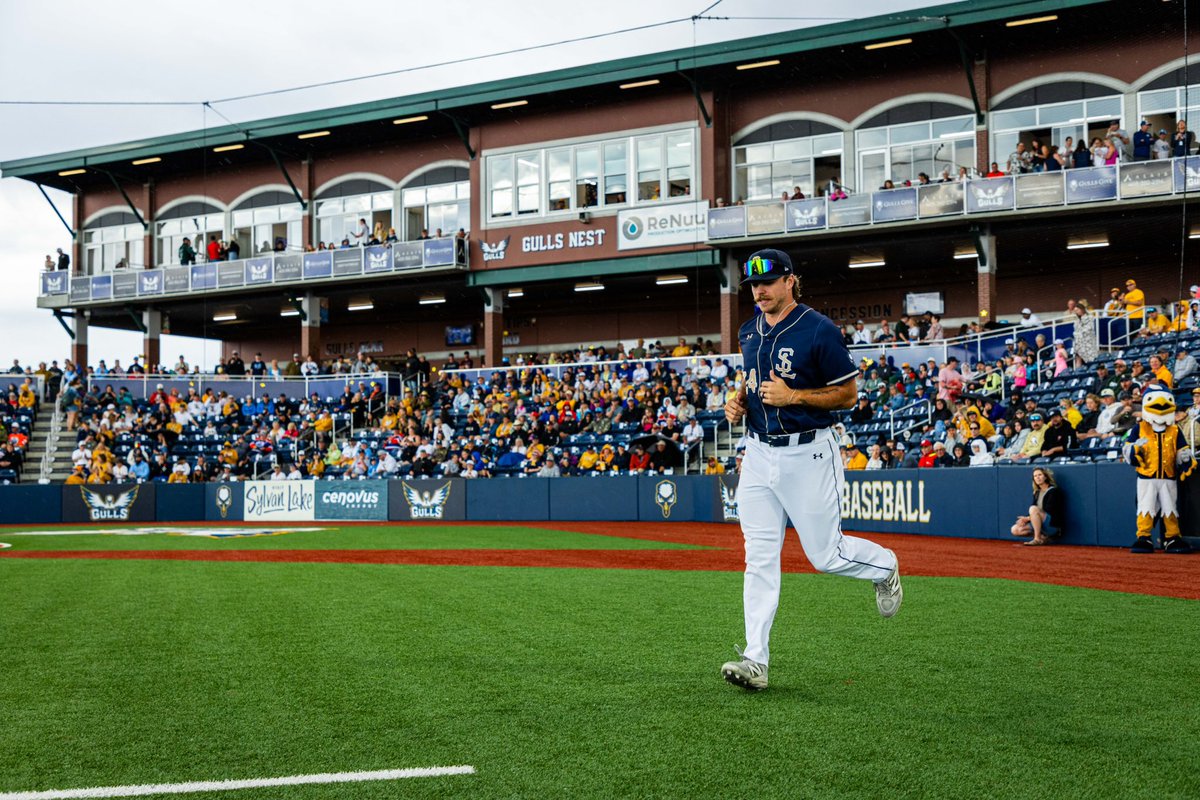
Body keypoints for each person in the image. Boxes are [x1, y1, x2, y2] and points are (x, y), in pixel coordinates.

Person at [720, 249, 902, 692]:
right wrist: (738, 401)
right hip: (759, 455)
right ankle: (754, 659)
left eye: (767, 282)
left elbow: (848, 396)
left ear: (790, 281)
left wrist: (796, 396)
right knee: (759, 558)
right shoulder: (748, 331)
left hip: (809, 453)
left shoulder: (819, 330)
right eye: (752, 285)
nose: (759, 291)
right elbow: (752, 384)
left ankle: (884, 566)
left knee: (825, 556)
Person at [1010, 467, 1064, 545]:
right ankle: (1043, 537)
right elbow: (1033, 511)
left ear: (1045, 477)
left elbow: (1049, 509)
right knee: (1015, 529)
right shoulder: (1037, 492)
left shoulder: (1054, 491)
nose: (1037, 477)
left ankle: (1037, 539)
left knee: (1033, 509)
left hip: (1051, 525)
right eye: (1035, 476)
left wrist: (1028, 518)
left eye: (1040, 475)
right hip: (1040, 525)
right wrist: (1025, 519)